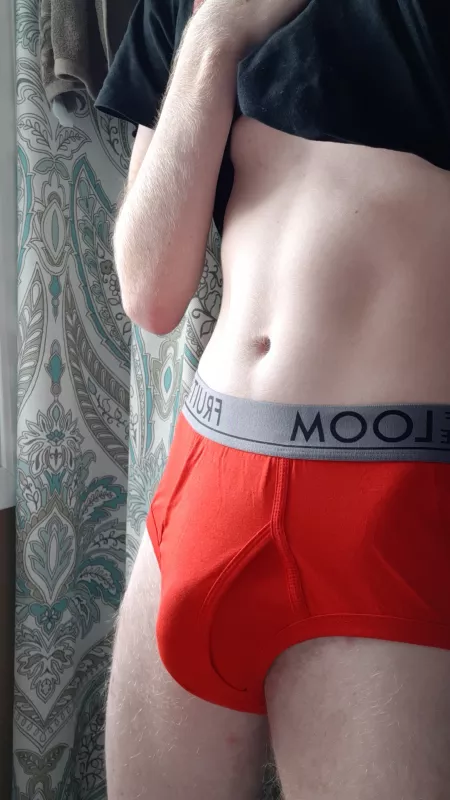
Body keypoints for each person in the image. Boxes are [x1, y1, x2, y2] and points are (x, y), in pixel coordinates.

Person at [95, 0, 450, 797]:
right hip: (204, 481)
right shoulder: (187, 11)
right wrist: (217, 35)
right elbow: (149, 290)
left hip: (386, 499)